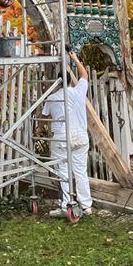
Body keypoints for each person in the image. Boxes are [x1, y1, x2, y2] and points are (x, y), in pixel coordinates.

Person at [41, 51, 93, 217]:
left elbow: (43, 118)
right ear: (71, 81)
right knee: (81, 172)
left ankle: (66, 206)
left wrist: (39, 129)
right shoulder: (79, 92)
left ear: (57, 83)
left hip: (61, 138)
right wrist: (75, 58)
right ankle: (86, 206)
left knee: (63, 172)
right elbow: (84, 74)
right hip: (80, 136)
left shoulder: (52, 97)